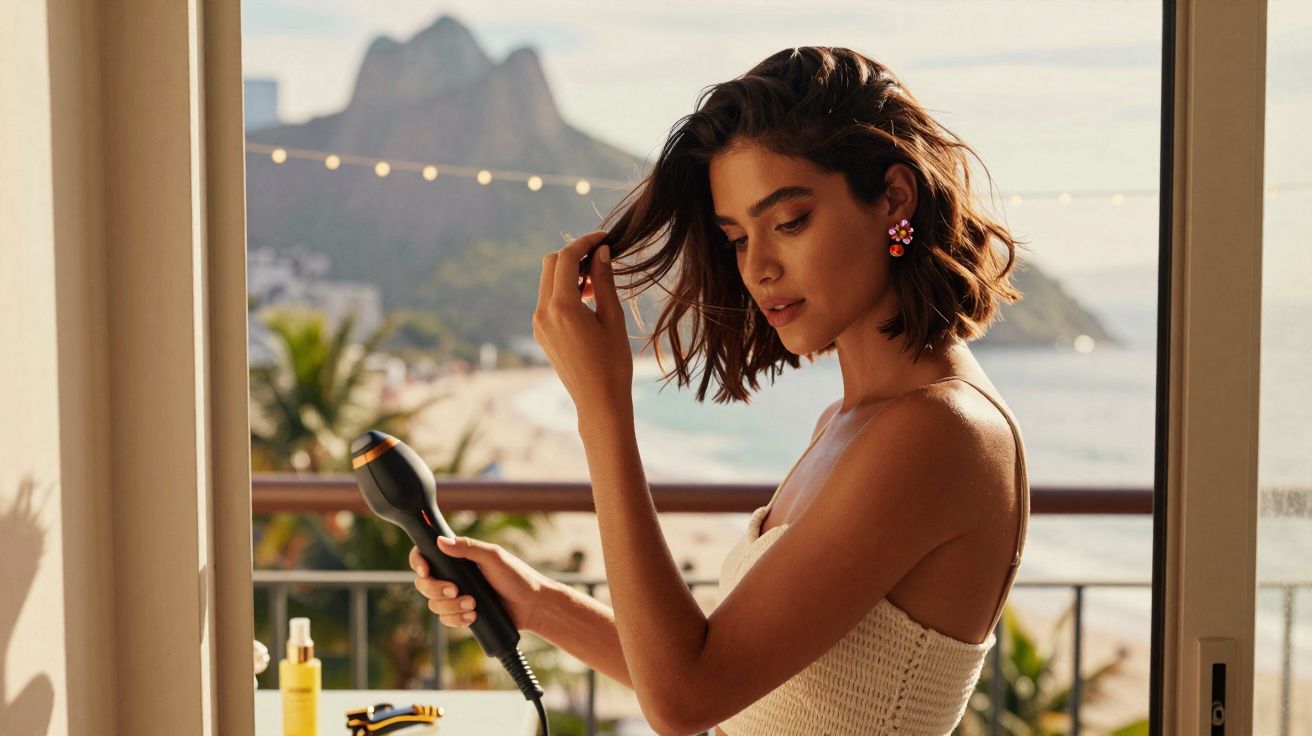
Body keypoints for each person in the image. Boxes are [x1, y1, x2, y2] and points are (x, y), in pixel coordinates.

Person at [410, 46, 1031, 735]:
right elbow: (729, 678)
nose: (759, 267)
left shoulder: (940, 432)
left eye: (789, 222)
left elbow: (686, 698)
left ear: (893, 200)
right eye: (737, 238)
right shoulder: (852, 420)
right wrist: (537, 603)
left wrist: (603, 410)